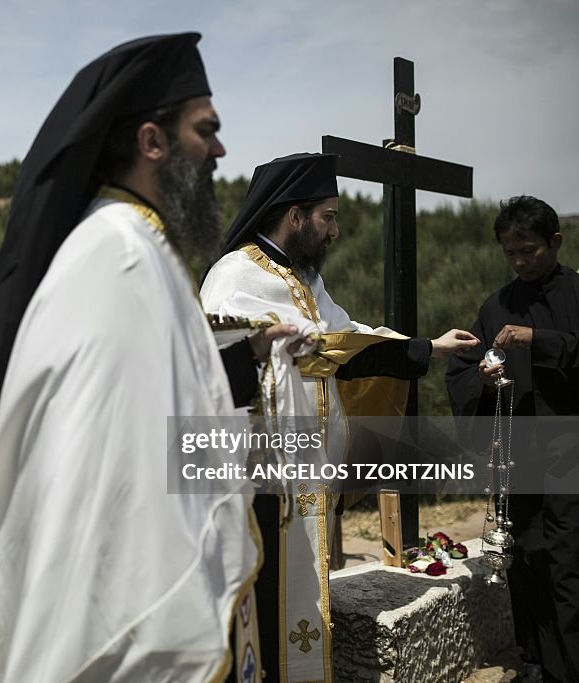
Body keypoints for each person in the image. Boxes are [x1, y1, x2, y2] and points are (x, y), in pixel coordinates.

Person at [0, 33, 270, 682]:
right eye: (206, 130)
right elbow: (114, 489)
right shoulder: (120, 259)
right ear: (151, 141)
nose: (220, 149)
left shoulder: (135, 245)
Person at [201, 152, 478, 682]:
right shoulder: (233, 276)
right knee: (260, 606)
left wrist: (430, 348)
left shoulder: (306, 283)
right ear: (295, 215)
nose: (335, 229)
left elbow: (349, 343)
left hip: (306, 479)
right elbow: (229, 371)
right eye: (327, 216)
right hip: (260, 485)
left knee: (303, 594)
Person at [446, 195, 579, 682]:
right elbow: (464, 371)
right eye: (511, 253)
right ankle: (537, 661)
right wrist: (480, 378)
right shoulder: (497, 305)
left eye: (530, 251)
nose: (521, 262)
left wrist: (537, 339)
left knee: (570, 561)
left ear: (555, 242)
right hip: (519, 457)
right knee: (526, 555)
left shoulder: (575, 294)